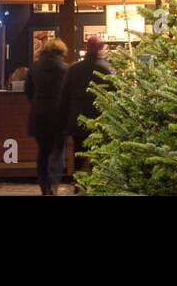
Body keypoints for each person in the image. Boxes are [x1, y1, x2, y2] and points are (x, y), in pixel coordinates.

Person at [61, 35, 113, 184]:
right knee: (99, 157)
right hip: (100, 121)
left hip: (78, 121)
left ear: (86, 49)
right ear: (101, 49)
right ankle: (97, 187)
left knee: (79, 157)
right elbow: (115, 95)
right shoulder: (106, 69)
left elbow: (64, 96)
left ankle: (79, 187)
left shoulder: (74, 69)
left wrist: (64, 121)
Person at [25, 38, 69, 195]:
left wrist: (37, 103)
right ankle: (54, 183)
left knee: (43, 151)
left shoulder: (34, 67)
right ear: (61, 52)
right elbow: (67, 94)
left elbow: (28, 91)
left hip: (39, 114)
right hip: (58, 115)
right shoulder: (65, 69)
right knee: (58, 150)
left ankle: (44, 185)